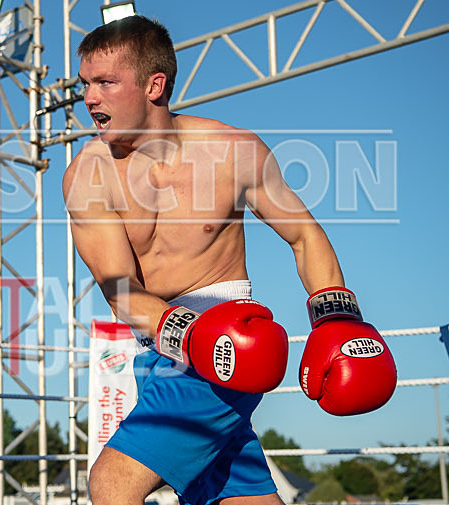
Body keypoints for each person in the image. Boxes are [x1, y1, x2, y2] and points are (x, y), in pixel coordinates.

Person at [63, 16, 397, 505]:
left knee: (112, 483)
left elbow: (303, 233)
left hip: (231, 339)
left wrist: (336, 316)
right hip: (165, 352)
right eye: (85, 84)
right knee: (241, 498)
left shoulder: (232, 151)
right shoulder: (86, 176)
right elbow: (120, 288)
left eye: (105, 83)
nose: (89, 98)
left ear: (155, 85)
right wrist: (190, 336)